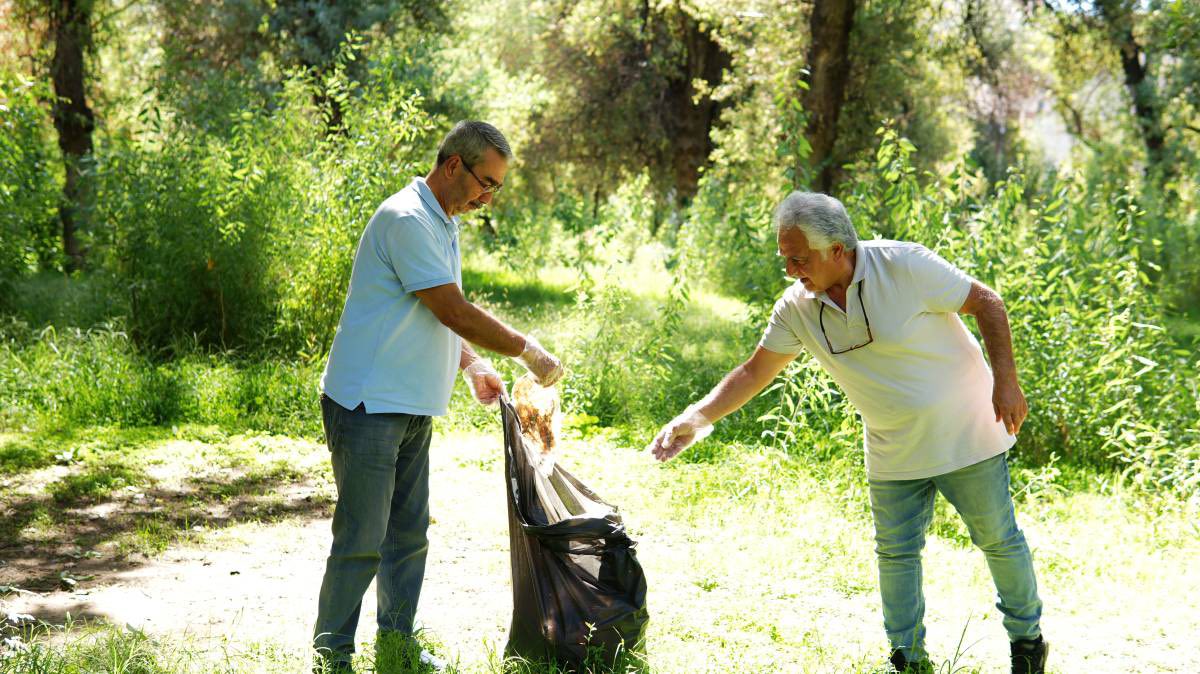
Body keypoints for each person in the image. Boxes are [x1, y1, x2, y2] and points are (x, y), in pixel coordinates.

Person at [647, 192, 1048, 674]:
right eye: (786, 259)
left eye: (800, 258)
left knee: (998, 540)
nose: (792, 269)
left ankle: (1027, 644)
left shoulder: (904, 265)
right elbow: (755, 372)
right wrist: (697, 416)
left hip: (967, 431)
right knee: (896, 554)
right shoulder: (797, 307)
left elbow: (986, 301)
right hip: (892, 445)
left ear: (837, 250)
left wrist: (1006, 379)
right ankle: (908, 657)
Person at [314, 121, 563, 671]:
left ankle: (397, 642)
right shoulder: (406, 219)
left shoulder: (442, 221)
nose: (488, 196)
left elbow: (433, 314)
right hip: (367, 404)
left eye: (496, 186)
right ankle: (332, 653)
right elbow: (454, 310)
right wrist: (527, 350)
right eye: (486, 182)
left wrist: (471, 365)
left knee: (409, 532)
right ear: (454, 165)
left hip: (409, 405)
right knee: (362, 535)